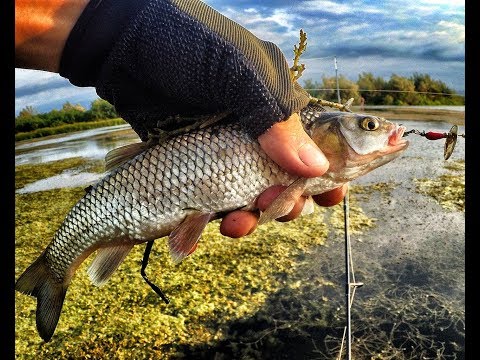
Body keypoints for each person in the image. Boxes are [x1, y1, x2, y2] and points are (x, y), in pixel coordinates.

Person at [15, 0, 347, 239]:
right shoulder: (295, 130)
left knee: (238, 218)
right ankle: (57, 267)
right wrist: (120, 25)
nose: (386, 131)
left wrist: (107, 31)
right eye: (368, 126)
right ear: (319, 135)